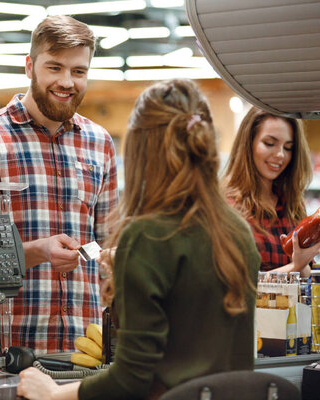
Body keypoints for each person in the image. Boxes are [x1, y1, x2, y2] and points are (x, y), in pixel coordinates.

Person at [17, 79, 260, 400]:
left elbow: (131, 380)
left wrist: (50, 393)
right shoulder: (237, 230)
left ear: (140, 149)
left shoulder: (145, 236)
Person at [0, 15, 118, 353]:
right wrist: (39, 251)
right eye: (54, 68)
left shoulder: (99, 143)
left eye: (78, 71)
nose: (67, 82)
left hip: (86, 346)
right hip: (10, 347)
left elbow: (107, 243)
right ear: (30, 67)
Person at [223, 106, 320, 277]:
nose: (280, 155)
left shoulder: (292, 204)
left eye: (288, 147)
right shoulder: (227, 207)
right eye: (269, 143)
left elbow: (306, 274)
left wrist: (307, 261)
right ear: (248, 144)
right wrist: (295, 267)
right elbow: (235, 285)